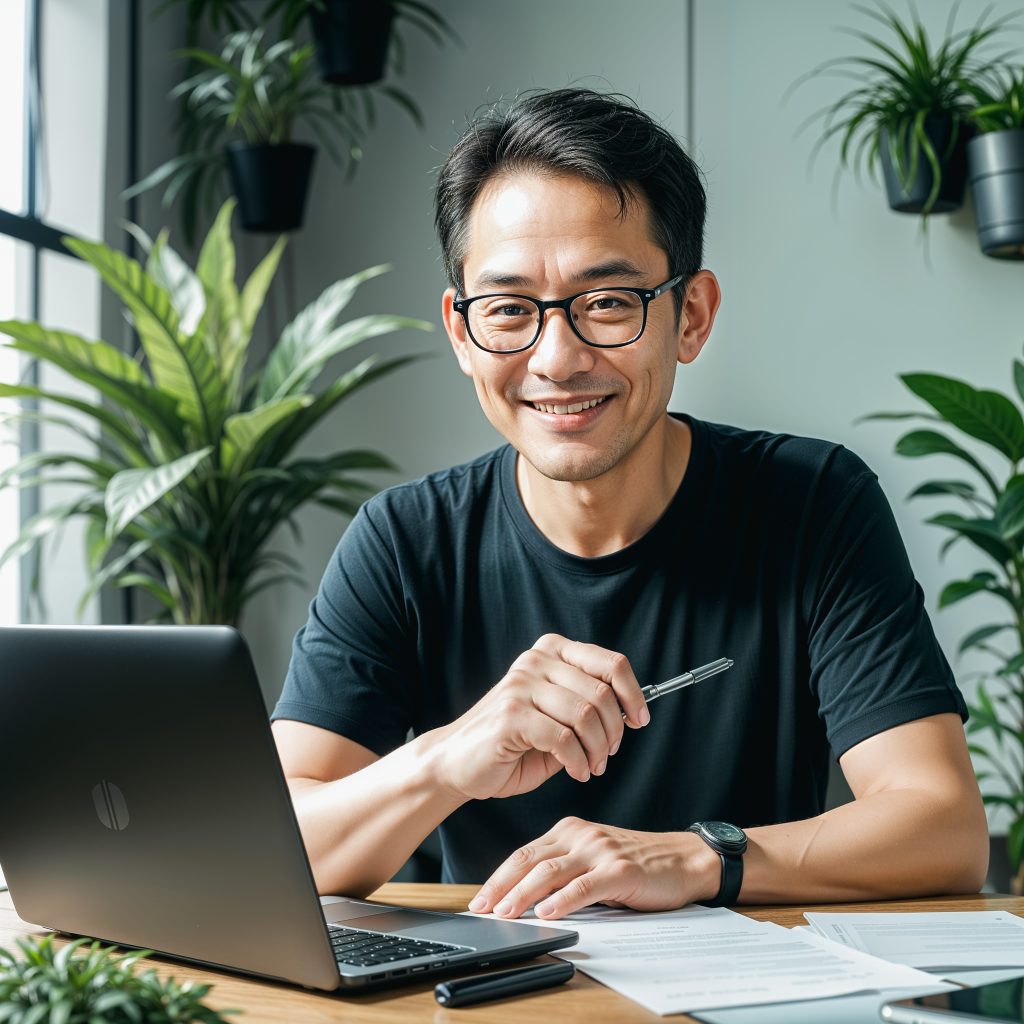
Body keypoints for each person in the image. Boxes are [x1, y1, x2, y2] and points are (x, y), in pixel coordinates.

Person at [271, 88, 988, 921]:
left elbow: (942, 827)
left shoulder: (814, 504)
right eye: (508, 311)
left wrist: (692, 857)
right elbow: (279, 839)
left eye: (607, 303)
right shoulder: (406, 540)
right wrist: (446, 760)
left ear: (692, 315)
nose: (557, 357)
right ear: (463, 335)